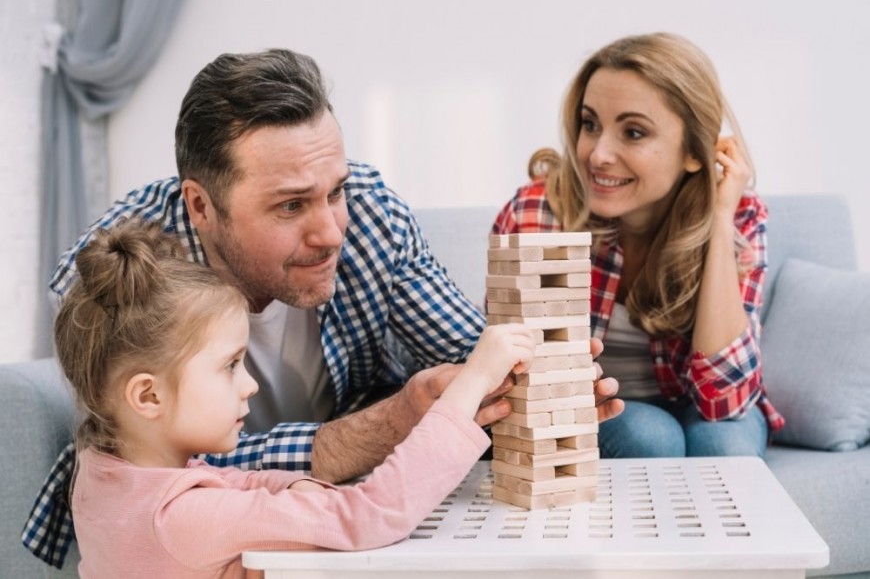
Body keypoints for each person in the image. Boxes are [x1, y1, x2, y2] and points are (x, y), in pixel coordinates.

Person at [24, 48, 622, 567]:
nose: (333, 231)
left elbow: (470, 353)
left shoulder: (369, 215)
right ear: (201, 206)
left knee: (633, 432)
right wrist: (375, 430)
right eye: (290, 207)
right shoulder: (123, 277)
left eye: (334, 191)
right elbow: (161, 457)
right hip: (263, 506)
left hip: (303, 490)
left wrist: (536, 387)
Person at [55, 218, 535, 577]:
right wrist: (471, 383)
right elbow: (370, 515)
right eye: (229, 367)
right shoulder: (181, 519)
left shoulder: (104, 474)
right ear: (148, 395)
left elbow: (230, 486)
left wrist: (292, 490)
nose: (250, 385)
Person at [492, 33, 783, 459]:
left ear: (694, 152)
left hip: (697, 403)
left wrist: (719, 220)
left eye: (632, 132)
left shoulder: (738, 215)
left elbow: (726, 400)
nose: (597, 154)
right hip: (590, 407)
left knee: (725, 443)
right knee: (650, 436)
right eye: (590, 125)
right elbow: (517, 378)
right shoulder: (540, 211)